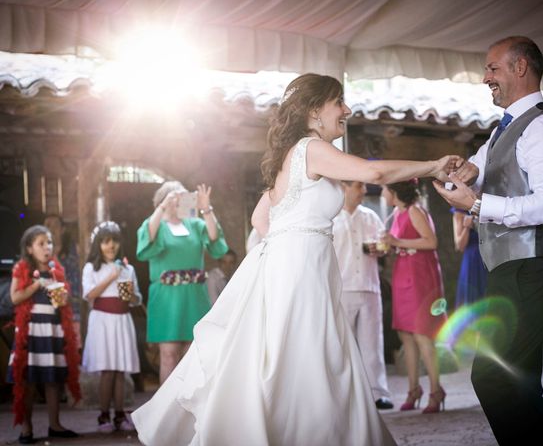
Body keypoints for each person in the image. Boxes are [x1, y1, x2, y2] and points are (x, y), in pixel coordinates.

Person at [131, 73, 460, 445]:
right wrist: (433, 166)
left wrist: (287, 243)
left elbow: (260, 219)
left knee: (297, 356)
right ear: (315, 111)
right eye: (339, 102)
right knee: (309, 356)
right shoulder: (311, 148)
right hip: (302, 266)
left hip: (296, 262)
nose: (347, 110)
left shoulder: (292, 156)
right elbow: (374, 172)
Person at [434, 36, 543, 446]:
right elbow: (472, 171)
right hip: (508, 269)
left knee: (493, 376)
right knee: (521, 383)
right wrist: (452, 173)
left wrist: (477, 205)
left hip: (534, 268)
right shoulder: (501, 133)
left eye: (493, 68)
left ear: (520, 68)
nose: (485, 78)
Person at [136, 182, 228, 384]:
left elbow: (214, 238)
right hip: (167, 298)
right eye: (175, 197)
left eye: (183, 196)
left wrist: (206, 208)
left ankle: (189, 411)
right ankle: (166, 413)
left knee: (192, 354)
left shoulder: (194, 224)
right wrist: (162, 208)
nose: (180, 201)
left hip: (194, 296)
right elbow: (146, 240)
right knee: (168, 354)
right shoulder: (155, 224)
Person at [7, 225, 81, 444]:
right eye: (41, 243)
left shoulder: (56, 268)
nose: (47, 247)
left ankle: (55, 425)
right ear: (29, 248)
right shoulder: (22, 269)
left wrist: (63, 298)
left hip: (52, 329)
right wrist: (36, 285)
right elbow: (14, 298)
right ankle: (26, 428)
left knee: (53, 381)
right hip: (31, 330)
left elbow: (62, 303)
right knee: (28, 380)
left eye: (49, 242)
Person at [381, 180, 447, 414]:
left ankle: (436, 391)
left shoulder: (415, 211)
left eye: (385, 189)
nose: (382, 193)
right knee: (405, 335)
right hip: (402, 276)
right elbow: (402, 243)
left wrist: (397, 241)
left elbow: (431, 242)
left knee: (422, 335)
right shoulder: (396, 214)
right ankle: (413, 389)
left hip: (420, 277)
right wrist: (388, 246)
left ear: (395, 191)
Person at [333, 180, 393, 410]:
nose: (364, 191)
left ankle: (378, 394)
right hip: (342, 289)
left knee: (373, 342)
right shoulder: (330, 219)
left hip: (369, 285)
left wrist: (383, 249)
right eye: (359, 186)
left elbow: (384, 245)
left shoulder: (370, 216)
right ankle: (342, 394)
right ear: (344, 188)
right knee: (340, 344)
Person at [82, 221, 141, 433]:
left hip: (122, 320)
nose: (111, 246)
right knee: (107, 370)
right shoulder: (91, 268)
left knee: (120, 371)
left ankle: (119, 414)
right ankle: (103, 415)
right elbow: (89, 295)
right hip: (102, 322)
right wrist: (112, 277)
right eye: (106, 242)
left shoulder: (128, 269)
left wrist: (131, 295)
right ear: (98, 244)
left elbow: (136, 299)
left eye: (115, 241)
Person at [451, 208, 487, 308]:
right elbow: (460, 246)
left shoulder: (487, 206)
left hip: (489, 255)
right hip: (473, 260)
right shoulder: (459, 213)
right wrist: (467, 227)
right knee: (472, 295)